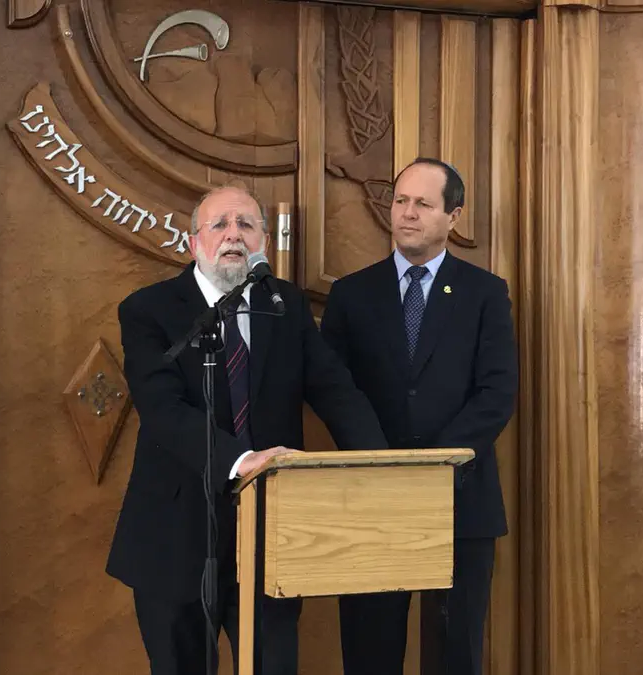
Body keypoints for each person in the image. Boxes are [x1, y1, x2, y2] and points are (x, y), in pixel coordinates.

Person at [106, 185, 388, 675]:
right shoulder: (149, 310)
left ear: (263, 242)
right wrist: (240, 461)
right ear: (194, 243)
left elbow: (335, 391)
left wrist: (381, 465)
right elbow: (163, 410)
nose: (233, 235)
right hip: (175, 538)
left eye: (246, 225)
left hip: (273, 534)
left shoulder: (286, 305)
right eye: (220, 225)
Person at [320, 158, 518, 675]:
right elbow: (332, 389)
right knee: (370, 652)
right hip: (371, 497)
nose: (407, 213)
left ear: (454, 215)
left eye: (423, 204)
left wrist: (435, 464)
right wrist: (381, 461)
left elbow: (497, 393)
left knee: (455, 653)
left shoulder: (484, 293)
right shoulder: (350, 294)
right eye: (401, 200)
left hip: (460, 499)